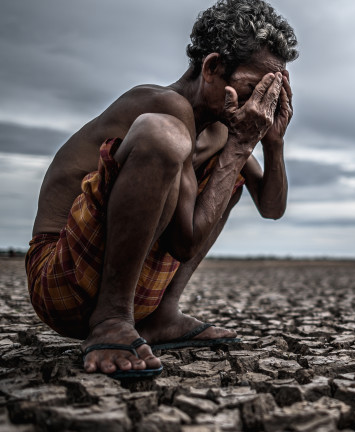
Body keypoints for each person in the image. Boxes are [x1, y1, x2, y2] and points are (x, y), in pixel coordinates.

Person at [24, 0, 298, 378]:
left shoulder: (220, 129)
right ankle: (110, 319)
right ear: (212, 67)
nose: (259, 106)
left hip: (137, 292)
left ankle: (162, 316)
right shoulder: (163, 105)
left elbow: (272, 208)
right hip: (63, 281)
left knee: (227, 172)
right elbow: (183, 243)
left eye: (270, 96)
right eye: (254, 89)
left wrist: (272, 142)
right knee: (162, 135)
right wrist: (239, 146)